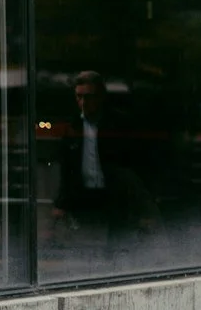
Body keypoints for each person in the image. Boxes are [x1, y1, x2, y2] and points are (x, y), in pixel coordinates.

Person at [51, 70, 155, 250]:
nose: (83, 103)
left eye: (89, 97)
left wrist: (143, 209)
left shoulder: (118, 125)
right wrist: (61, 203)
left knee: (117, 246)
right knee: (84, 249)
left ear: (100, 97)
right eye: (79, 97)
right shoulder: (73, 127)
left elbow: (136, 166)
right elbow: (67, 169)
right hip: (85, 196)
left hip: (116, 196)